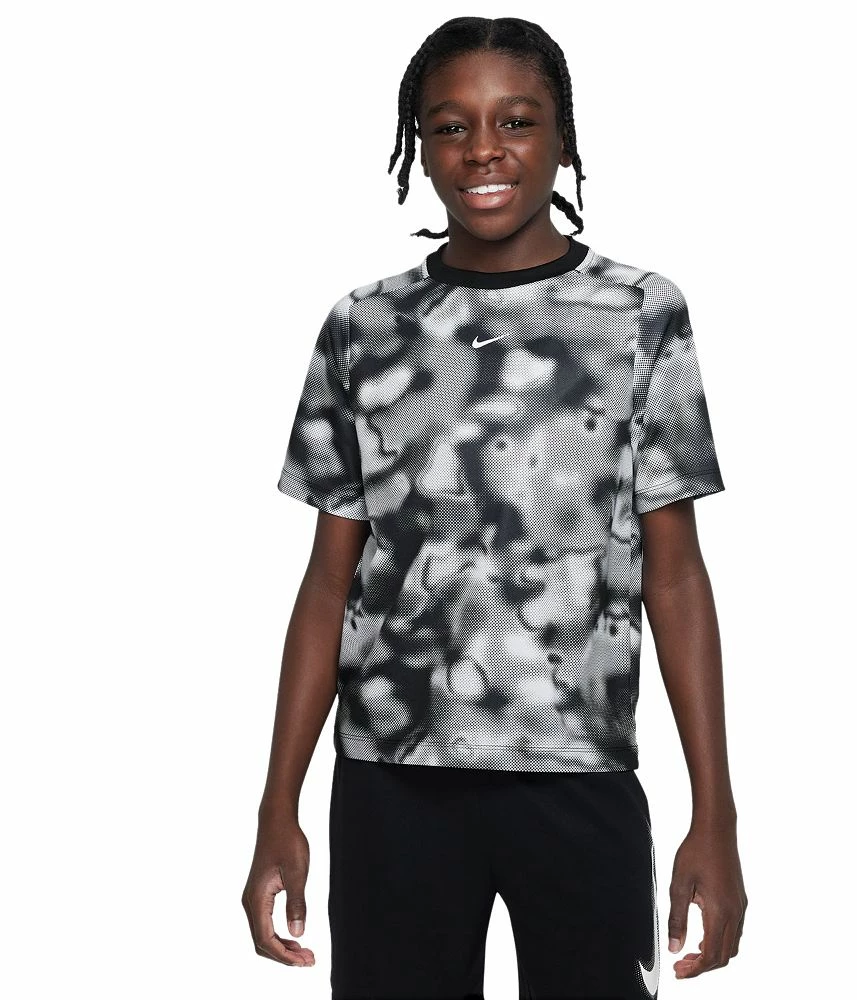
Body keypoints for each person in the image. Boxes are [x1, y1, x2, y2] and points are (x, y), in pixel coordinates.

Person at [242, 15, 747, 999]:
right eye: (449, 125)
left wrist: (715, 817)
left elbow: (675, 575)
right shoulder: (365, 326)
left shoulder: (640, 314)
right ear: (418, 145)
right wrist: (276, 809)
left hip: (579, 775)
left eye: (515, 120)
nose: (483, 149)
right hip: (391, 781)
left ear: (562, 137)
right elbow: (328, 583)